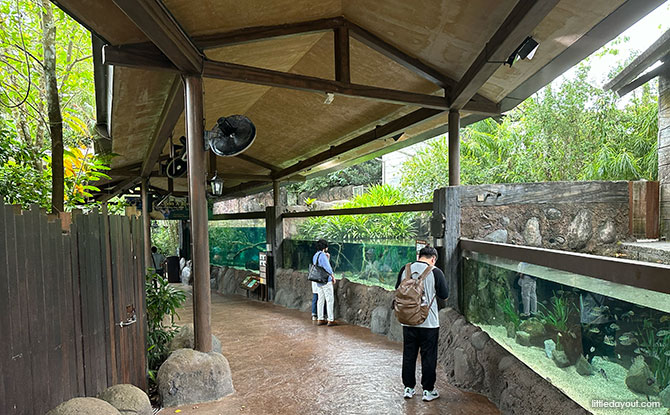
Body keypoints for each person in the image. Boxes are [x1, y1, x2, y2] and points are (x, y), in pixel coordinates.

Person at [395, 245, 448, 402]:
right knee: (428, 357)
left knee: (409, 355)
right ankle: (428, 390)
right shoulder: (436, 272)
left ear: (419, 256)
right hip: (429, 323)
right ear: (433, 259)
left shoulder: (405, 269)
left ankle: (408, 388)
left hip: (408, 321)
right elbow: (444, 295)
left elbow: (397, 289)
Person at [313, 239, 336, 326]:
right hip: (326, 280)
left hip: (319, 281)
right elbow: (327, 268)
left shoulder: (315, 255)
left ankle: (320, 318)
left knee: (320, 300)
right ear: (325, 247)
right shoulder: (322, 255)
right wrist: (332, 276)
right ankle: (330, 320)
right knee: (329, 300)